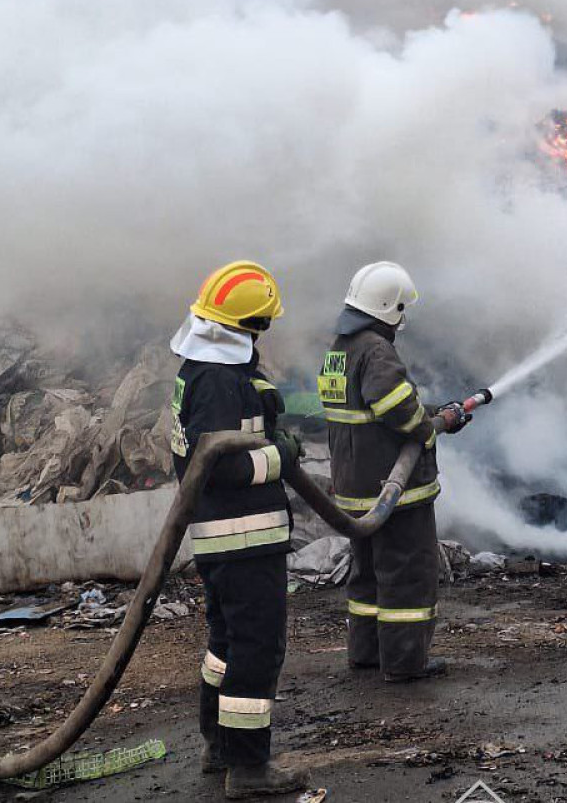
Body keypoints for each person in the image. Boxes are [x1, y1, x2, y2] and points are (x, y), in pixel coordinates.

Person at [170, 261, 308, 798]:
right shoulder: (220, 384)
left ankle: (219, 745)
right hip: (244, 537)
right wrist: (282, 456)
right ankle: (248, 767)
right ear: (248, 327)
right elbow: (224, 465)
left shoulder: (201, 371)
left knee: (226, 644)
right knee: (257, 647)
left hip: (222, 537)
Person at [317, 261, 468, 683]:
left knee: (366, 575)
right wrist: (430, 425)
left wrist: (438, 414)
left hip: (354, 484)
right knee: (406, 575)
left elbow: (370, 408)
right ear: (391, 307)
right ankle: (404, 663)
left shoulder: (339, 348)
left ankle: (366, 653)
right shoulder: (375, 349)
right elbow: (394, 407)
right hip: (393, 490)